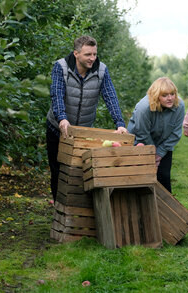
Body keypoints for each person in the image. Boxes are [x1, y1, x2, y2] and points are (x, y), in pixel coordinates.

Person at [46, 35, 128, 201]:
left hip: (83, 130)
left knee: (79, 169)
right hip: (57, 128)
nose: (92, 58)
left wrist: (119, 123)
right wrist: (62, 119)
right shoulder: (61, 67)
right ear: (76, 53)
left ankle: (77, 207)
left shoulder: (101, 70)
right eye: (88, 55)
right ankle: (59, 206)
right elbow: (57, 96)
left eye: (94, 54)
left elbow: (110, 96)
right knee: (58, 170)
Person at [127, 77, 185, 193]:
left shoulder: (179, 106)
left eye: (172, 94)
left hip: (164, 144)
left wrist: (159, 153)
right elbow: (142, 133)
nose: (170, 98)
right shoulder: (144, 108)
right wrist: (152, 153)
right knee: (142, 177)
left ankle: (166, 207)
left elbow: (175, 133)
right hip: (140, 142)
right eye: (164, 95)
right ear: (156, 96)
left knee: (164, 175)